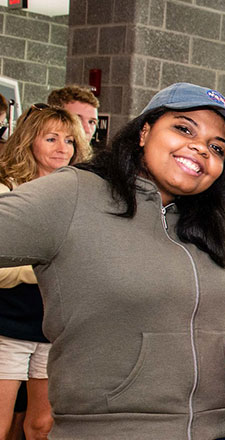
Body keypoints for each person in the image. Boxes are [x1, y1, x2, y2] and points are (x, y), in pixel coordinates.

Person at [0, 82, 225, 439]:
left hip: (218, 431)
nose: (199, 148)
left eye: (216, 147)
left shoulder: (214, 230)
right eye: (183, 128)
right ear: (144, 131)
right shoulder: (75, 195)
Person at [0, 104, 90, 440]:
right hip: (7, 322)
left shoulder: (78, 193)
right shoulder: (8, 190)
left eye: (68, 140)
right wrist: (45, 265)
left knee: (42, 424)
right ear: (28, 142)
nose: (61, 148)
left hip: (54, 328)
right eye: (50, 138)